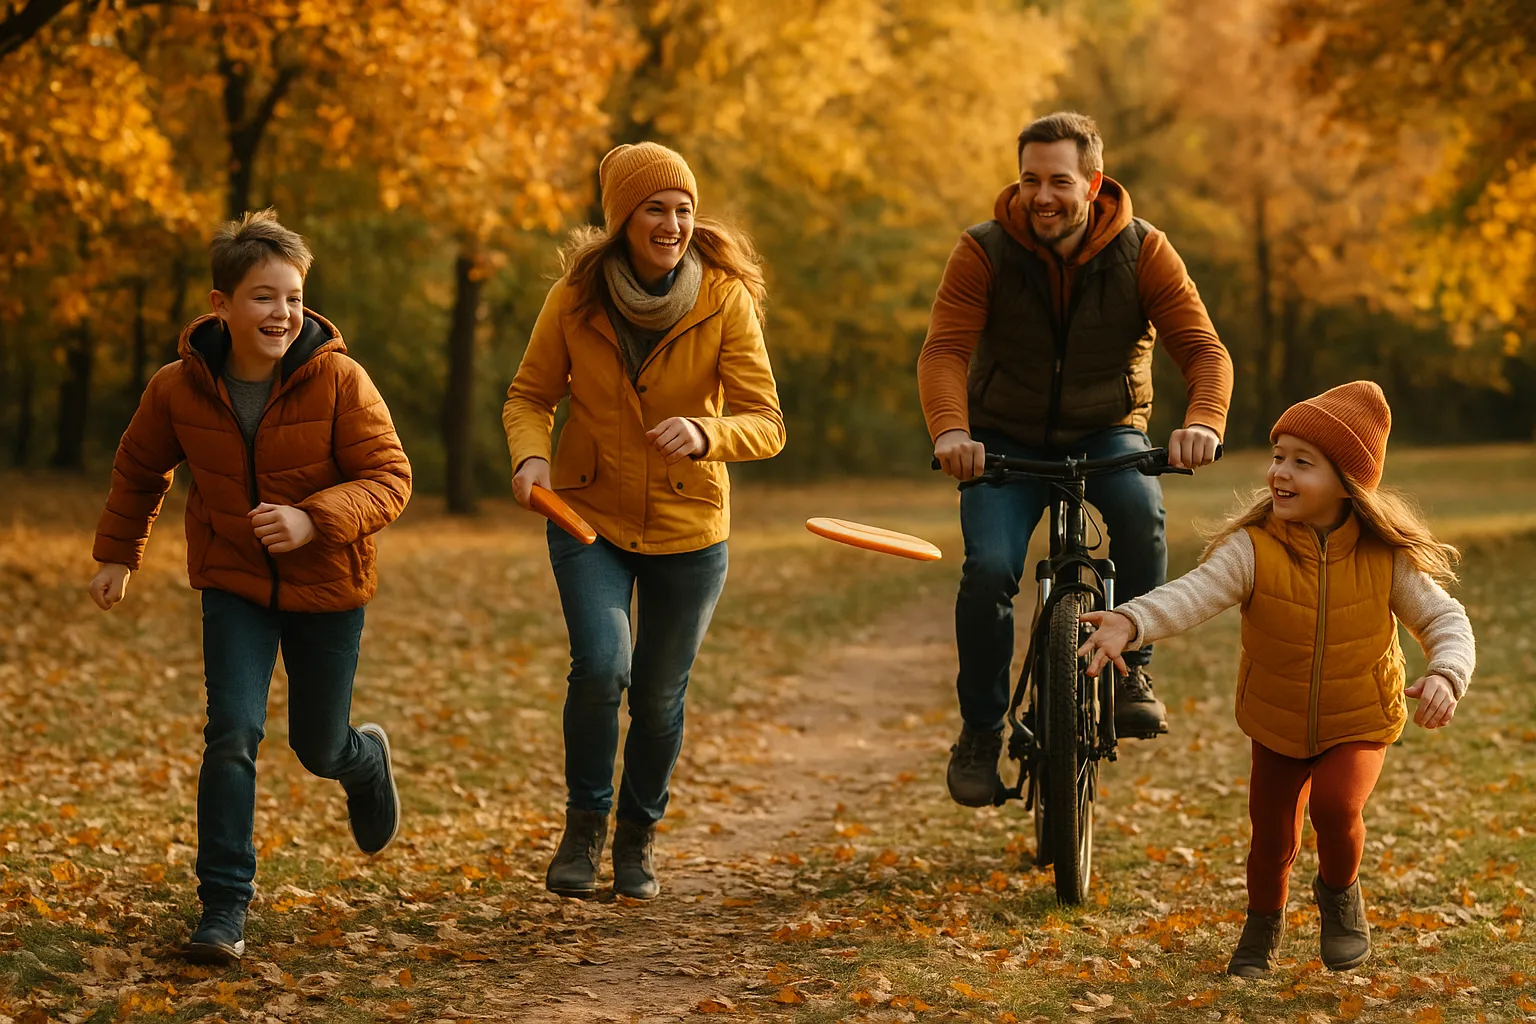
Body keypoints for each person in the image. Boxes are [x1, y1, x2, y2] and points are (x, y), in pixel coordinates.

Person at [87, 209, 412, 964]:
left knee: (317, 745)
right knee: (232, 732)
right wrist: (117, 556)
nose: (282, 313)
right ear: (221, 305)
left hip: (328, 585)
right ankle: (224, 906)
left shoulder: (340, 380)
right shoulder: (179, 388)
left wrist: (312, 519)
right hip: (232, 582)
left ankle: (362, 760)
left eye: (293, 297)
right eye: (264, 297)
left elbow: (389, 477)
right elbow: (139, 468)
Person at [1078, 381, 1475, 976]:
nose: (1279, 473)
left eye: (1302, 462)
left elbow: (1445, 618)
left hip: (1359, 715)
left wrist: (1446, 673)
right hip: (1276, 719)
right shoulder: (1253, 549)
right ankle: (1263, 923)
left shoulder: (1384, 556)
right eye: (1278, 456)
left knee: (1336, 808)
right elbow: (1193, 594)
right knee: (1270, 838)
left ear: (1347, 482)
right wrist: (1132, 621)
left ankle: (1339, 895)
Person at [918, 110, 1234, 807]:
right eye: (1029, 180)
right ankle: (980, 732)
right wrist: (951, 432)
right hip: (1002, 436)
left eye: (1059, 181)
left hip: (1106, 429)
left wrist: (1203, 423)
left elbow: (1203, 351)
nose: (1042, 196)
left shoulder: (1144, 250)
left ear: (1093, 183)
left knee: (1141, 514)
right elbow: (945, 351)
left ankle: (1132, 668)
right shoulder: (984, 250)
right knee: (988, 570)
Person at [502, 142, 785, 900]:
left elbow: (767, 422)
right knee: (602, 668)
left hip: (690, 528)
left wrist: (705, 432)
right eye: (656, 209)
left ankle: (637, 836)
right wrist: (531, 458)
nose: (673, 224)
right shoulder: (574, 296)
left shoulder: (723, 298)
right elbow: (529, 395)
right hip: (586, 515)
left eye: (684, 209)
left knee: (659, 696)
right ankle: (584, 827)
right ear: (624, 219)